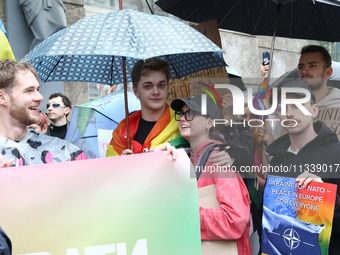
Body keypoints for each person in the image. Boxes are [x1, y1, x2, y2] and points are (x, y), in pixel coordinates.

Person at [171, 95, 252, 255]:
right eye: (181, 114)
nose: (182, 119)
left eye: (191, 113)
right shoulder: (185, 158)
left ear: (210, 122)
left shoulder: (219, 158)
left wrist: (185, 215)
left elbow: (234, 219)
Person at [266, 80, 340, 255]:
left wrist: (325, 196)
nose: (289, 114)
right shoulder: (277, 161)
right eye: (282, 108)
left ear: (314, 110)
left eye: (297, 105)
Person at [0, 59, 87, 167]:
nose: (40, 98)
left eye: (38, 89)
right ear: (2, 97)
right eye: (29, 90)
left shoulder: (64, 153)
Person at [106, 57, 180, 156]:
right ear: (136, 91)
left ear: (167, 88)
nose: (156, 92)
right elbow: (110, 168)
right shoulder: (122, 130)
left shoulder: (182, 123)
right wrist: (122, 163)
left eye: (161, 85)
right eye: (148, 86)